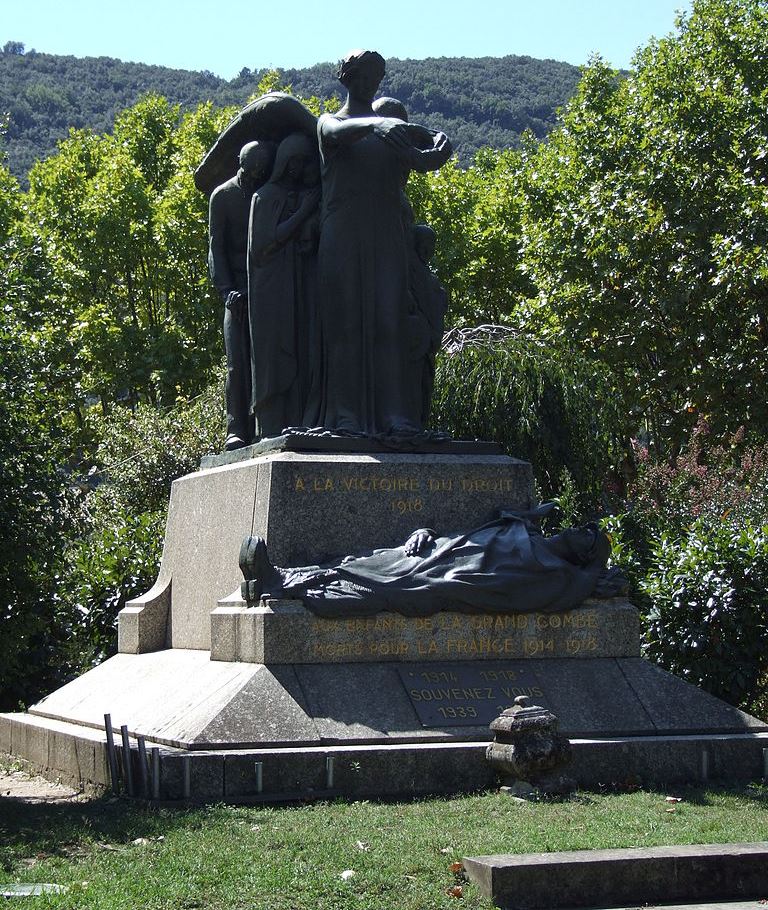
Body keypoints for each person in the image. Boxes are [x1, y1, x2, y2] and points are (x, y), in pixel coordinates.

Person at [306, 50, 452, 437]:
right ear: (348, 78)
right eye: (363, 75)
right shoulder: (330, 122)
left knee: (390, 322)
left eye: (376, 76)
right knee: (345, 324)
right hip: (343, 235)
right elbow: (339, 134)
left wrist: (441, 145)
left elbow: (422, 161)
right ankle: (345, 416)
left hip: (387, 237)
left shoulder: (391, 132)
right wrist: (379, 125)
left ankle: (396, 416)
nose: (370, 82)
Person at [239, 504, 627, 617]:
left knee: (379, 585)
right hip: (436, 551)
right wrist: (424, 530)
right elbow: (479, 526)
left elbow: (569, 587)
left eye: (588, 536)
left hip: (449, 580)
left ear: (584, 554)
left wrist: (597, 573)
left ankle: (279, 584)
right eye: (585, 526)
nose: (580, 529)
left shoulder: (557, 575)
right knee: (365, 563)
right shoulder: (526, 529)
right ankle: (280, 578)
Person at [247, 133, 321, 438]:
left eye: (304, 164)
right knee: (274, 354)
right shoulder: (264, 197)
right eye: (295, 162)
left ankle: (298, 418)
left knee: (301, 348)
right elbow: (266, 242)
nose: (299, 170)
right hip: (271, 289)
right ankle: (270, 424)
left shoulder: (299, 197)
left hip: (297, 286)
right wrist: (303, 212)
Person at [208, 141, 275, 449]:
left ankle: (267, 422)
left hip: (265, 290)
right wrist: (227, 291)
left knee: (267, 359)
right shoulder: (222, 197)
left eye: (260, 172)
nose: (255, 177)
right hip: (236, 292)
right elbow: (216, 250)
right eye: (250, 171)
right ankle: (236, 428)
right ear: (240, 164)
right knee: (238, 363)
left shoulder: (267, 194)